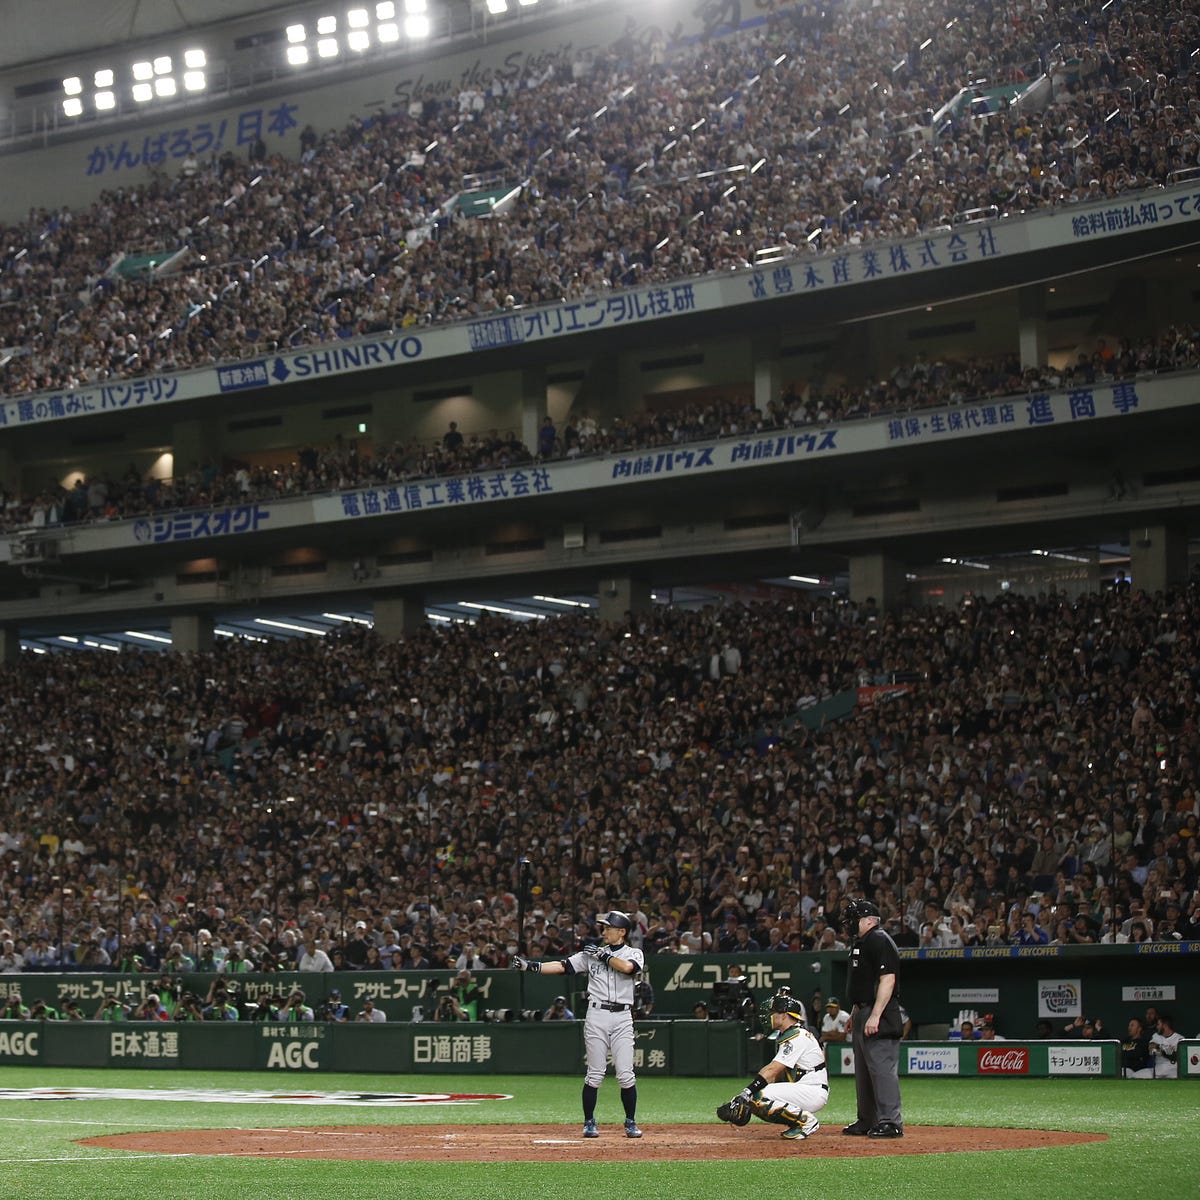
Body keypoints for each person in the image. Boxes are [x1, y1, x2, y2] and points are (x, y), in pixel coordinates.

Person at [511, 910, 644, 1139]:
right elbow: (563, 966)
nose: (604, 931)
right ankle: (589, 1122)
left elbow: (628, 968)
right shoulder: (591, 954)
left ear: (622, 932)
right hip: (597, 1014)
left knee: (625, 1074)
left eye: (608, 927)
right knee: (595, 1074)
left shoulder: (634, 952)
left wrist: (603, 956)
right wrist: (530, 966)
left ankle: (630, 1122)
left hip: (622, 1016)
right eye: (603, 927)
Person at [715, 990, 827, 1140]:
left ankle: (806, 1121)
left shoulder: (797, 1036)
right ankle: (798, 1122)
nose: (769, 1016)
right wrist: (748, 1095)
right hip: (805, 1088)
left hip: (811, 1091)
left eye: (773, 1012)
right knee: (755, 1099)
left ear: (784, 1015)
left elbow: (772, 1069)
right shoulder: (789, 1034)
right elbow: (776, 1075)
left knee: (758, 1096)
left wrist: (746, 1092)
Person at [841, 898, 904, 1138]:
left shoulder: (879, 939)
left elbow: (888, 979)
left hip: (880, 1012)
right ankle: (867, 1119)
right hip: (863, 1010)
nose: (849, 924)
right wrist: (856, 1012)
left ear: (868, 921)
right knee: (864, 1070)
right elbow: (863, 983)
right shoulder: (862, 942)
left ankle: (890, 1121)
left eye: (853, 919)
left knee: (881, 1068)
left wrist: (875, 1015)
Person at [1149, 1013, 1181, 1078]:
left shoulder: (1179, 1038)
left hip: (1173, 1071)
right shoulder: (1156, 1036)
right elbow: (1151, 1049)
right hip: (1158, 1070)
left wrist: (1159, 1048)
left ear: (1165, 1025)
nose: (1157, 1027)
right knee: (1136, 1075)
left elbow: (1174, 1056)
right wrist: (1168, 1050)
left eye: (1158, 1024)